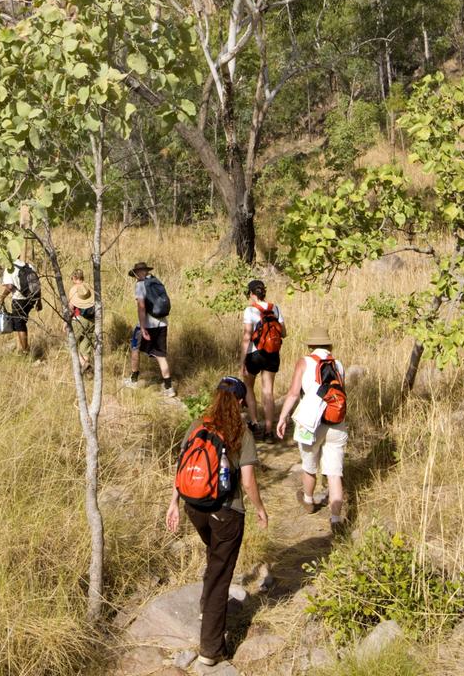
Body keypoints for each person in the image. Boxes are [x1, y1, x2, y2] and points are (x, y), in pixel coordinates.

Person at [166, 377, 268, 666]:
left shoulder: (197, 425)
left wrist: (173, 503)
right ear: (239, 401)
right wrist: (260, 508)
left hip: (194, 507)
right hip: (226, 512)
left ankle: (204, 608)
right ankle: (211, 649)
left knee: (215, 558)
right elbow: (248, 482)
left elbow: (181, 465)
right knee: (222, 572)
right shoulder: (241, 431)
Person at [275, 330, 348, 534]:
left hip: (311, 423)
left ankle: (308, 500)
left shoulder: (304, 362)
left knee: (309, 466)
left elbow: (292, 393)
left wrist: (283, 417)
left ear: (311, 346)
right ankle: (335, 519)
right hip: (336, 422)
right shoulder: (338, 364)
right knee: (334, 473)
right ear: (329, 346)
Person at [239, 279, 285, 439]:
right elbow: (284, 332)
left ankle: (254, 423)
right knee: (268, 391)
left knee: (249, 387)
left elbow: (247, 336)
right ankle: (269, 430)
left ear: (251, 294)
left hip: (254, 353)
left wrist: (242, 360)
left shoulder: (250, 311)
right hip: (272, 354)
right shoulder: (276, 308)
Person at [123, 261, 174, 397]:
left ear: (138, 273)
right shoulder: (156, 282)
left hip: (146, 325)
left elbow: (141, 307)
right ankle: (169, 388)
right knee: (161, 355)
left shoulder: (140, 285)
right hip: (162, 323)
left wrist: (143, 327)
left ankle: (134, 379)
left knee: (135, 348)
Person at [0, 257, 42, 355]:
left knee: (20, 325)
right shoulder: (29, 266)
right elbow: (37, 285)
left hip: (19, 300)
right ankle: (23, 347)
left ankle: (25, 351)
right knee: (22, 322)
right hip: (31, 299)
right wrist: (39, 301)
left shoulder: (10, 268)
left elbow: (9, 286)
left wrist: (2, 298)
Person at [67, 269, 95, 372]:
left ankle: (81, 366)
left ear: (74, 278)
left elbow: (70, 308)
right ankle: (86, 367)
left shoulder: (74, 289)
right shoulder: (89, 287)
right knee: (85, 346)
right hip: (92, 320)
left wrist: (65, 322)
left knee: (72, 343)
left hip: (79, 320)